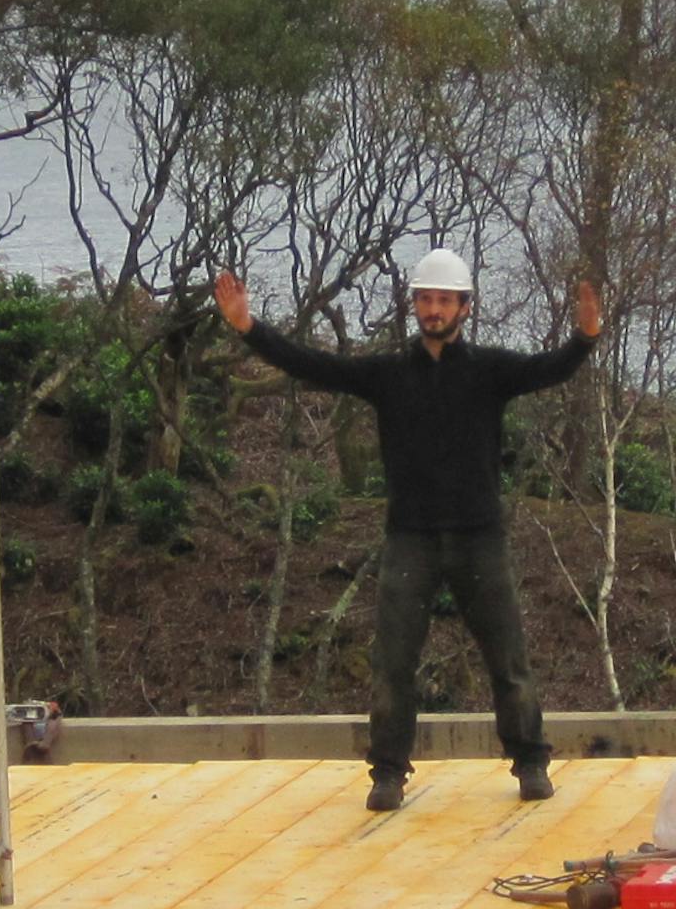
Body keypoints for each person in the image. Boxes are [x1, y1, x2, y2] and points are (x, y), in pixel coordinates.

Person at [215, 251, 601, 815]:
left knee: (508, 660)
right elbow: (314, 365)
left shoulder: (489, 371)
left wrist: (585, 338)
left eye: (445, 300)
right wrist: (249, 327)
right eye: (426, 300)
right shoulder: (387, 375)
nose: (434, 309)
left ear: (465, 307)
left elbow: (550, 368)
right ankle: (388, 774)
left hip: (479, 537)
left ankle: (531, 763)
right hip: (410, 539)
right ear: (415, 305)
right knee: (393, 663)